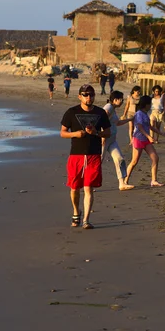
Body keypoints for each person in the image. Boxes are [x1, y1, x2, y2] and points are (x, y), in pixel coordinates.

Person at [60, 84, 111, 229]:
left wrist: (96, 132)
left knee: (88, 188)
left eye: (91, 94)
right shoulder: (71, 112)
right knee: (74, 188)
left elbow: (108, 132)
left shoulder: (101, 113)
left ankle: (86, 220)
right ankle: (76, 211)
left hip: (93, 155)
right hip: (76, 155)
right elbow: (63, 132)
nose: (89, 97)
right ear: (80, 96)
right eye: (86, 94)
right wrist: (76, 134)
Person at [125, 95, 165, 188]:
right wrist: (149, 136)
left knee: (155, 158)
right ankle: (125, 181)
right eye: (149, 104)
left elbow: (149, 126)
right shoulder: (139, 113)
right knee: (134, 161)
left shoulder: (145, 113)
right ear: (145, 104)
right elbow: (139, 126)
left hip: (146, 140)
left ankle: (154, 180)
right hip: (138, 139)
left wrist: (162, 133)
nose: (150, 105)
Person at [102, 91, 134, 191]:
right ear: (115, 100)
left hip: (112, 140)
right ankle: (89, 183)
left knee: (119, 158)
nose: (122, 101)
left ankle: (122, 184)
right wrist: (102, 136)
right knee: (98, 161)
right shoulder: (109, 107)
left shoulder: (113, 109)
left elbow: (117, 123)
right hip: (104, 139)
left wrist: (129, 119)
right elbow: (101, 119)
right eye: (121, 99)